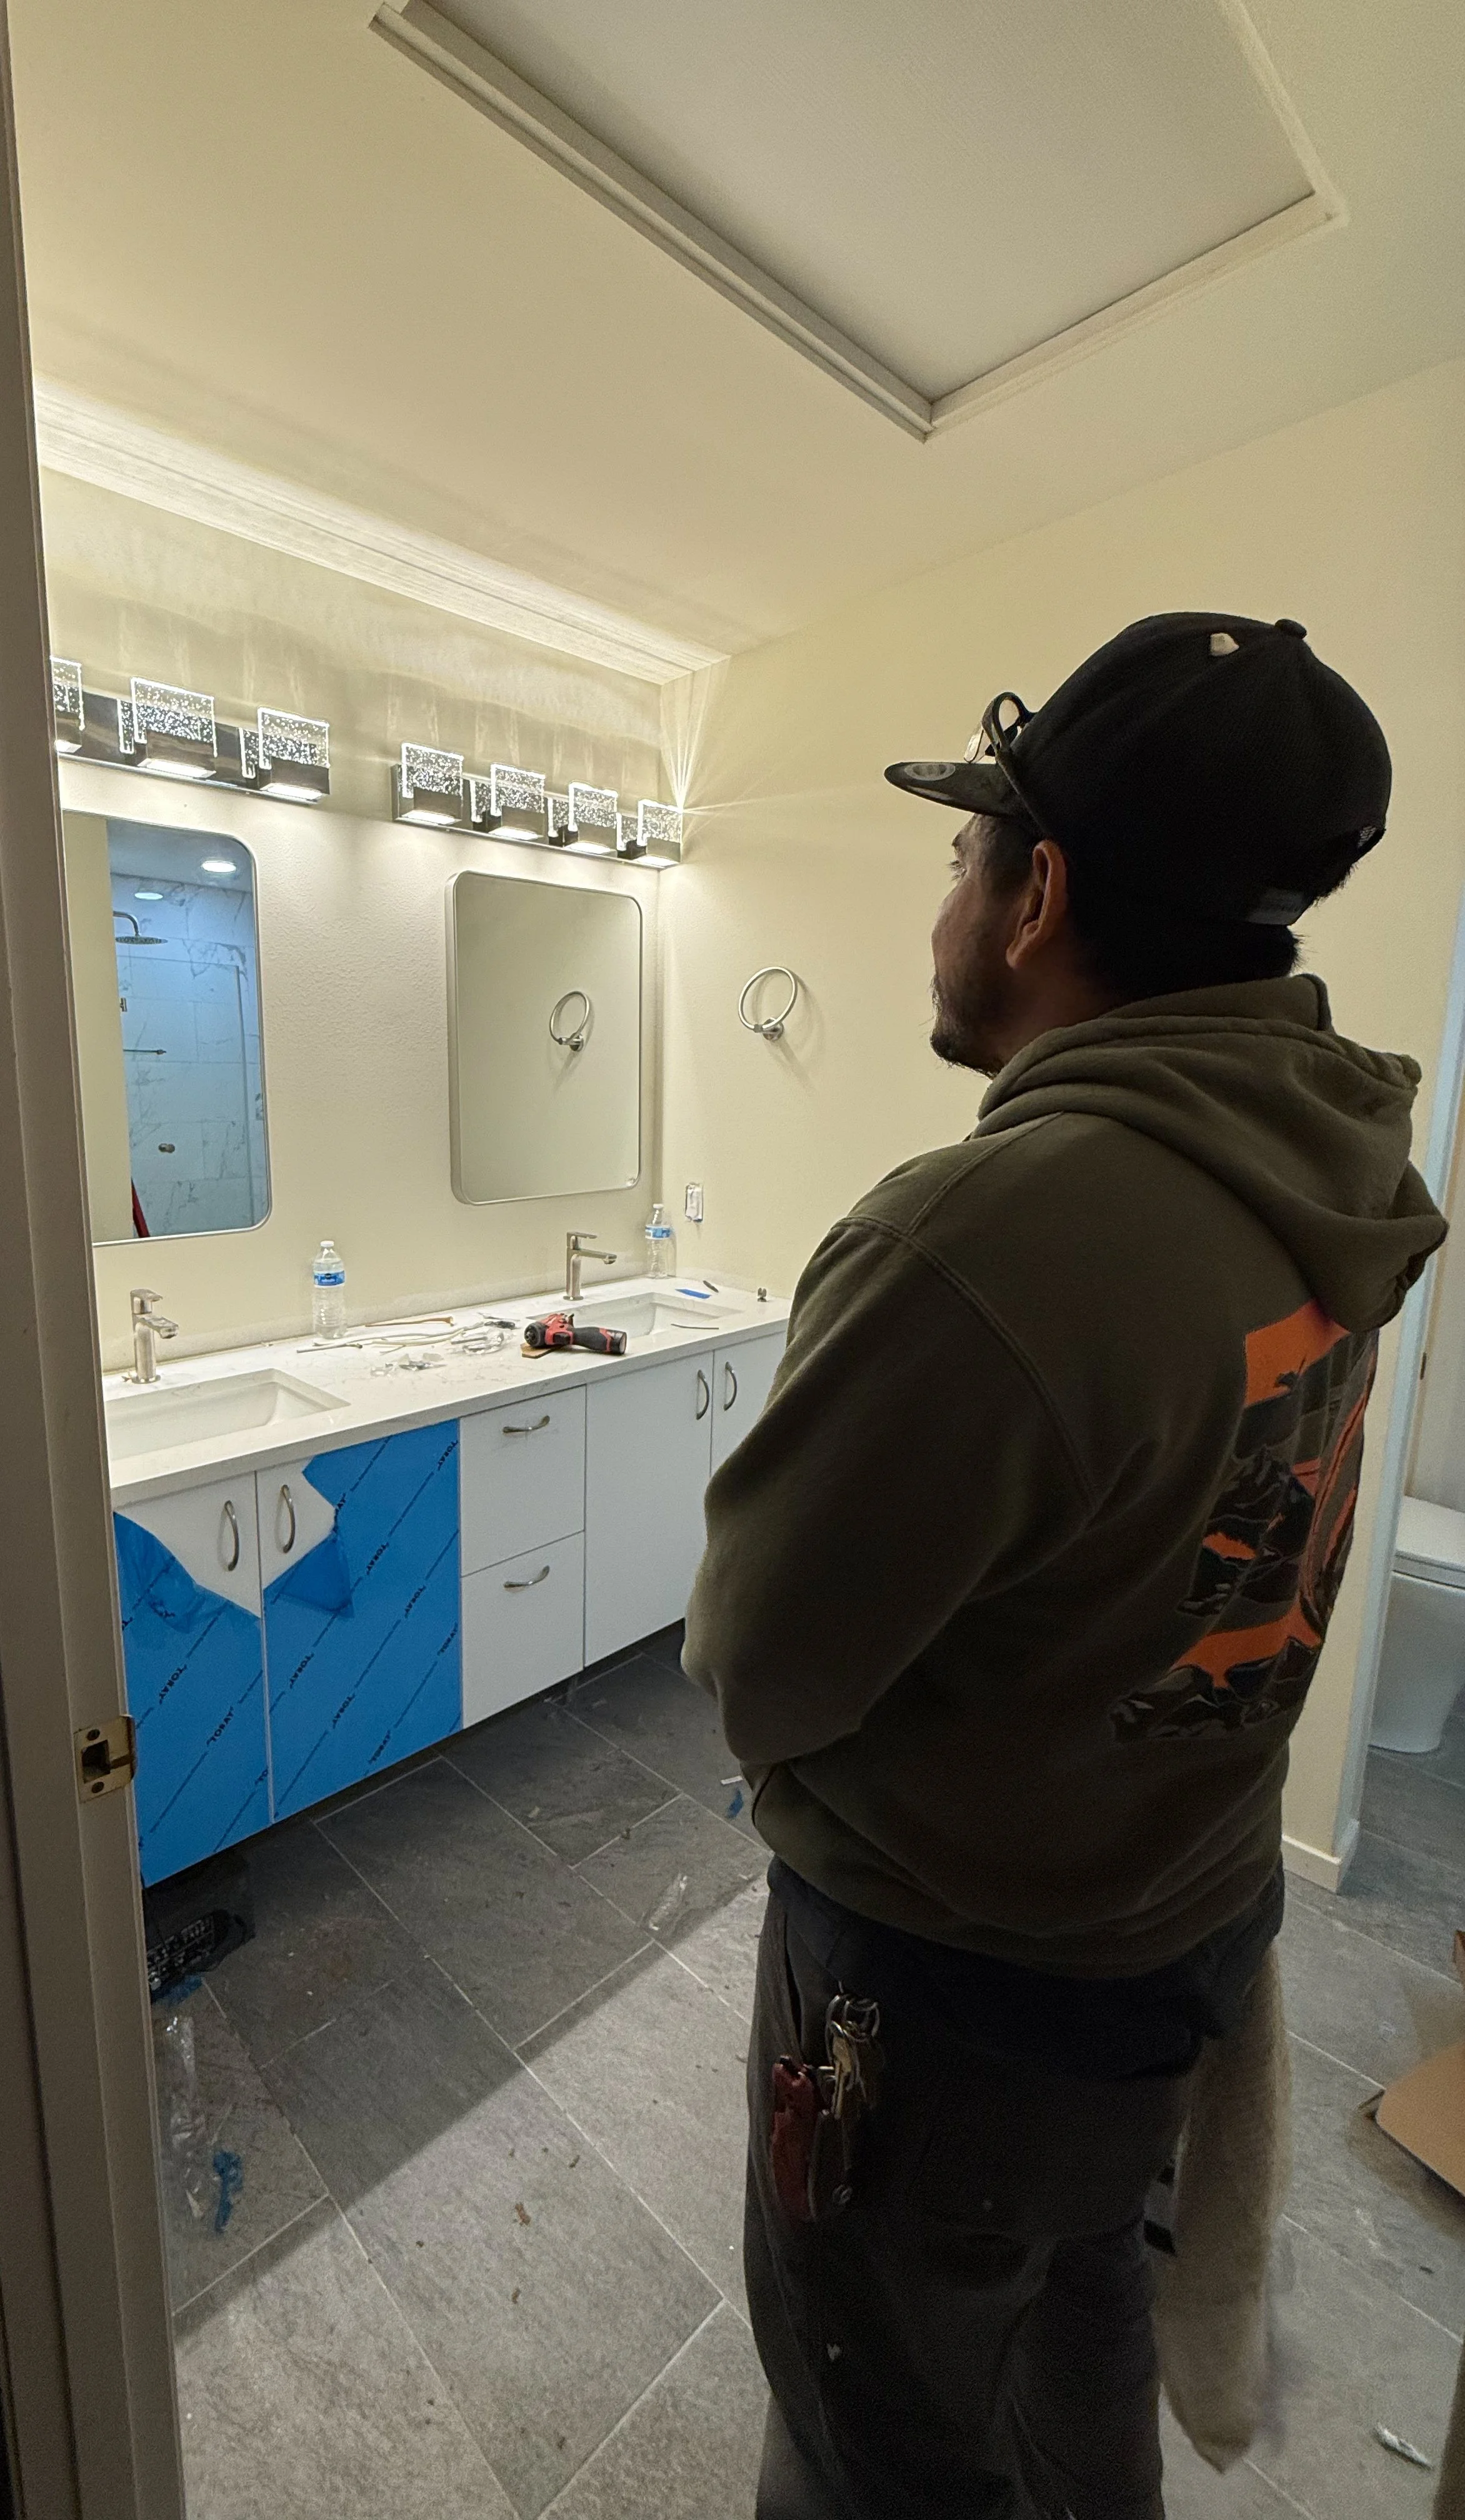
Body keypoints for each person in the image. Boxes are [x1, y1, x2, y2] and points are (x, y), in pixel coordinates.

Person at [682, 612, 1447, 2519]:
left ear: (1040, 897)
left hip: (947, 2009)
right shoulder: (1336, 1166)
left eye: (961, 855)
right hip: (1176, 1937)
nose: (938, 902)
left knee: (886, 2440)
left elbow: (753, 1664)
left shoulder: (979, 1240)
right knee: (1078, 2344)